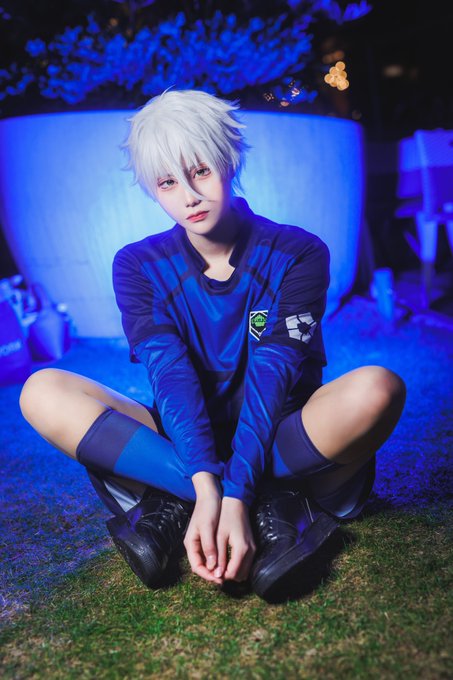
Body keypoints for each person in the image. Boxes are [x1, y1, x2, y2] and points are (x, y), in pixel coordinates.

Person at [19, 89, 406, 599]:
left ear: (228, 160)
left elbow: (273, 371)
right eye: (167, 182)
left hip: (281, 432)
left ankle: (198, 500)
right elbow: (170, 375)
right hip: (184, 439)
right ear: (152, 189)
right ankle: (264, 501)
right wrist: (209, 487)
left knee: (378, 388)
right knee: (42, 391)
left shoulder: (298, 251)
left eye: (199, 171)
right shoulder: (136, 264)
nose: (188, 196)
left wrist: (237, 492)